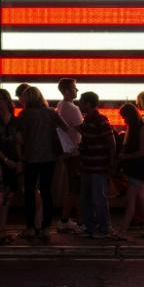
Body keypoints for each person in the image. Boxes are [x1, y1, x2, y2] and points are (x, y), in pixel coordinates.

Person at [16, 87, 70, 242]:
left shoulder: (24, 115)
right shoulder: (51, 112)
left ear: (26, 99)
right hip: (49, 158)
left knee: (30, 192)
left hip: (30, 158)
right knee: (46, 192)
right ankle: (46, 228)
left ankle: (31, 227)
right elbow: (65, 128)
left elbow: (19, 138)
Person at [77, 91, 117, 239]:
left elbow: (111, 142)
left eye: (81, 101)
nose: (79, 103)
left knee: (96, 198)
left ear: (88, 103)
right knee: (92, 197)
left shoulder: (98, 120)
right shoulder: (89, 120)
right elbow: (110, 142)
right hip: (92, 165)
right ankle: (95, 227)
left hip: (95, 166)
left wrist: (111, 162)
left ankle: (102, 228)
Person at [114, 103, 144, 240]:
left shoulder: (141, 129)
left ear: (130, 116)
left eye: (124, 117)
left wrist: (125, 156)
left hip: (137, 169)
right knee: (141, 199)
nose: (124, 120)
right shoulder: (139, 127)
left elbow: (142, 151)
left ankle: (123, 231)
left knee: (131, 200)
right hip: (138, 168)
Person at [55, 78, 84, 234]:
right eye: (74, 88)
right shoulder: (72, 108)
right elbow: (82, 129)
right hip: (75, 151)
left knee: (72, 186)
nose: (77, 90)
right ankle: (80, 222)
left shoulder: (60, 105)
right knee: (76, 187)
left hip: (67, 151)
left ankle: (65, 219)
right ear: (66, 91)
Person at [0, 90, 21, 244]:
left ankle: (2, 229)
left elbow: (20, 142)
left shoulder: (16, 121)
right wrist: (6, 159)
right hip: (3, 161)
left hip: (13, 161)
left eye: (2, 99)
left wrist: (20, 161)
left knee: (8, 196)